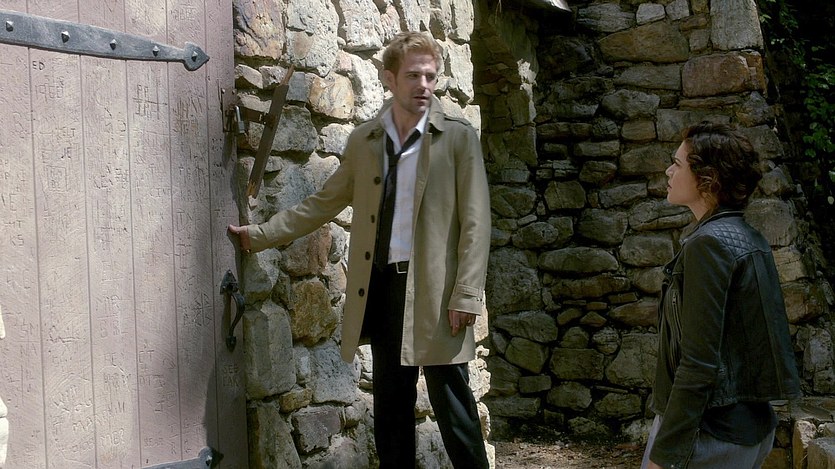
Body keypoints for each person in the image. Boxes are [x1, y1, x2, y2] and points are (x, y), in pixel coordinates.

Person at [227, 31, 491, 468]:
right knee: (391, 411)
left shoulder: (458, 137)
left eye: (430, 76)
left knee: (454, 409)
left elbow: (477, 223)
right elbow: (322, 202)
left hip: (438, 293)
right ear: (390, 78)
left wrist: (466, 294)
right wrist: (261, 235)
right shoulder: (366, 141)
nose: (424, 85)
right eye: (414, 75)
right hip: (383, 290)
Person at [642, 122, 801, 469]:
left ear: (708, 179)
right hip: (747, 429)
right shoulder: (748, 237)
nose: (668, 171)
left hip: (709, 435)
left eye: (677, 164)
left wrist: (665, 453)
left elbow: (699, 363)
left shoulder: (708, 245)